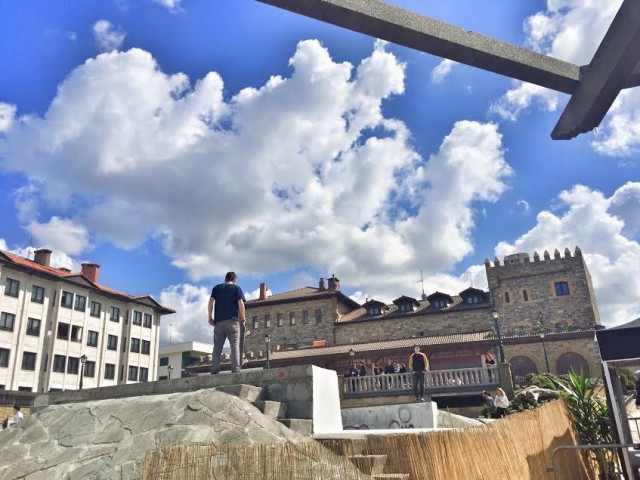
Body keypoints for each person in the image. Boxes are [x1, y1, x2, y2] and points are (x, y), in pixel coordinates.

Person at [208, 272, 246, 374]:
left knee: (217, 347)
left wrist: (210, 317)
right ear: (234, 280)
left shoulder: (217, 288)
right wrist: (243, 317)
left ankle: (214, 370)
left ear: (225, 279)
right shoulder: (237, 289)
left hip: (219, 322)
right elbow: (241, 303)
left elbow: (210, 302)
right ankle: (235, 369)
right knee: (234, 345)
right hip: (233, 321)